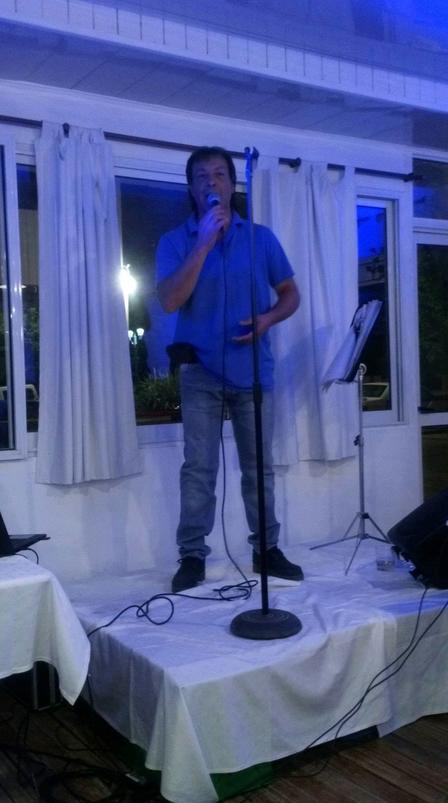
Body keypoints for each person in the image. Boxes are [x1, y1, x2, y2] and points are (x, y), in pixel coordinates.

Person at [156, 146, 303, 593]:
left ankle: (266, 549)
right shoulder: (174, 241)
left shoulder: (261, 239)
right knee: (198, 469)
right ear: (191, 188)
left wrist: (268, 319)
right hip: (200, 371)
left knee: (259, 467)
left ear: (232, 184)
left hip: (253, 369)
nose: (211, 182)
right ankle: (192, 555)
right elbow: (169, 300)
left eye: (219, 174)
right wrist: (202, 243)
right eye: (202, 176)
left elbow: (290, 294)